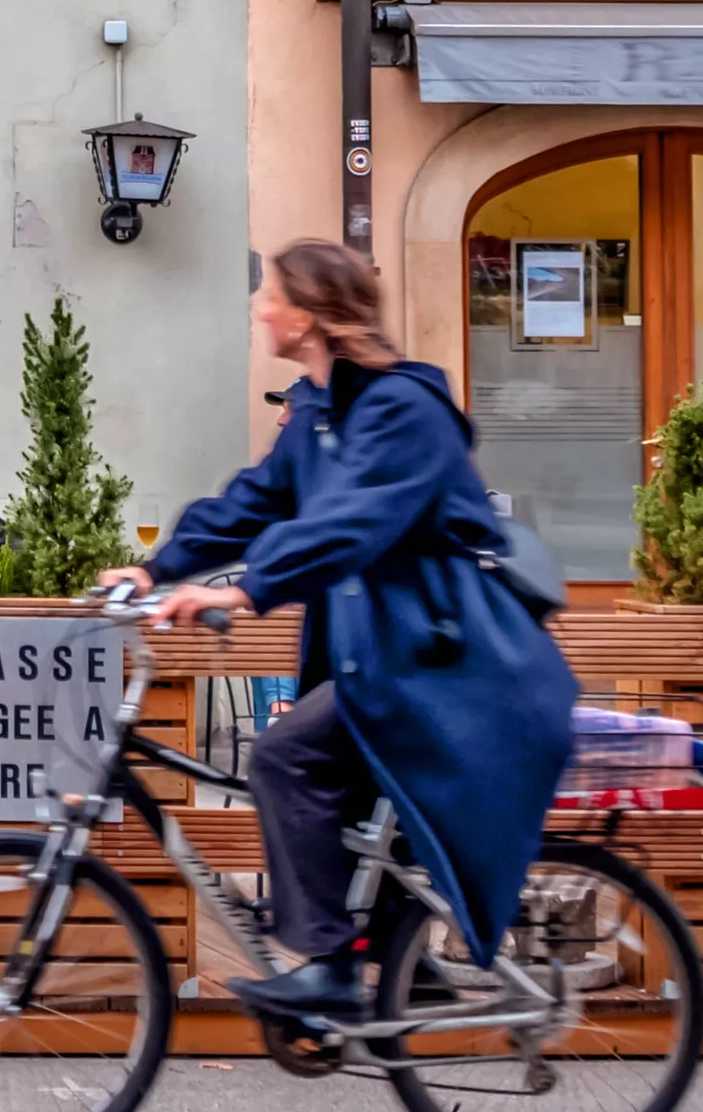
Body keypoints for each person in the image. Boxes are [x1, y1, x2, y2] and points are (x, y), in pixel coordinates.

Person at [106, 239, 575, 1028]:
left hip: (443, 658)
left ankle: (327, 969)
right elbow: (255, 502)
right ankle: (403, 969)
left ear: (311, 315)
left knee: (286, 758)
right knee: (356, 814)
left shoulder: (404, 410)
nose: (261, 309)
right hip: (385, 654)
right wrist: (155, 570)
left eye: (273, 296)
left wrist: (252, 588)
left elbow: (351, 522)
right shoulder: (320, 410)